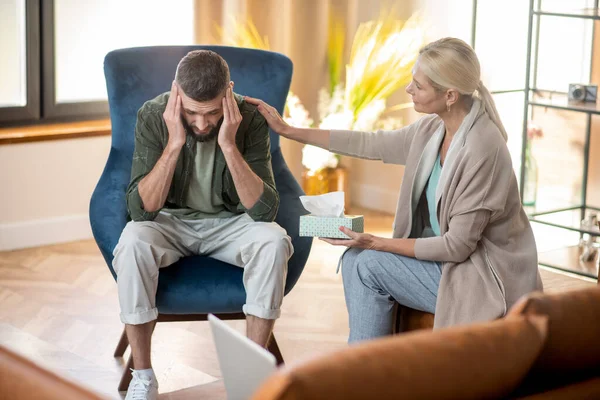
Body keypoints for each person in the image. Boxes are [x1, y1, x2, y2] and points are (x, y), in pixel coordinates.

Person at [246, 37, 542, 343]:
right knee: (354, 259)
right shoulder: (434, 129)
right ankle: (368, 370)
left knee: (368, 264)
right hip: (449, 262)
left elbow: (457, 247)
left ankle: (366, 374)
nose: (409, 89)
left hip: (483, 279)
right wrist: (288, 130)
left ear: (450, 95)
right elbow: (371, 143)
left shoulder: (482, 149)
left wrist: (376, 242)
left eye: (418, 85)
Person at [112, 50, 293, 399]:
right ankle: (145, 377)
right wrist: (175, 141)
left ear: (228, 92)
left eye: (211, 113)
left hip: (231, 224)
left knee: (273, 241)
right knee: (133, 240)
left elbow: (263, 211)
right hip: (170, 223)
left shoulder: (250, 118)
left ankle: (252, 379)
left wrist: (228, 143)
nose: (201, 123)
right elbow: (142, 210)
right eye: (192, 112)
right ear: (176, 92)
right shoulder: (153, 114)